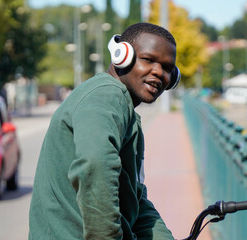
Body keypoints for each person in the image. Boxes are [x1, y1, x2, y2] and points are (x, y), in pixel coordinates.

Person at [29, 22, 180, 240]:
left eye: (167, 68)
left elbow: (136, 199)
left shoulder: (124, 109)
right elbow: (96, 163)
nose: (158, 72)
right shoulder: (108, 95)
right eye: (148, 60)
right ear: (122, 55)